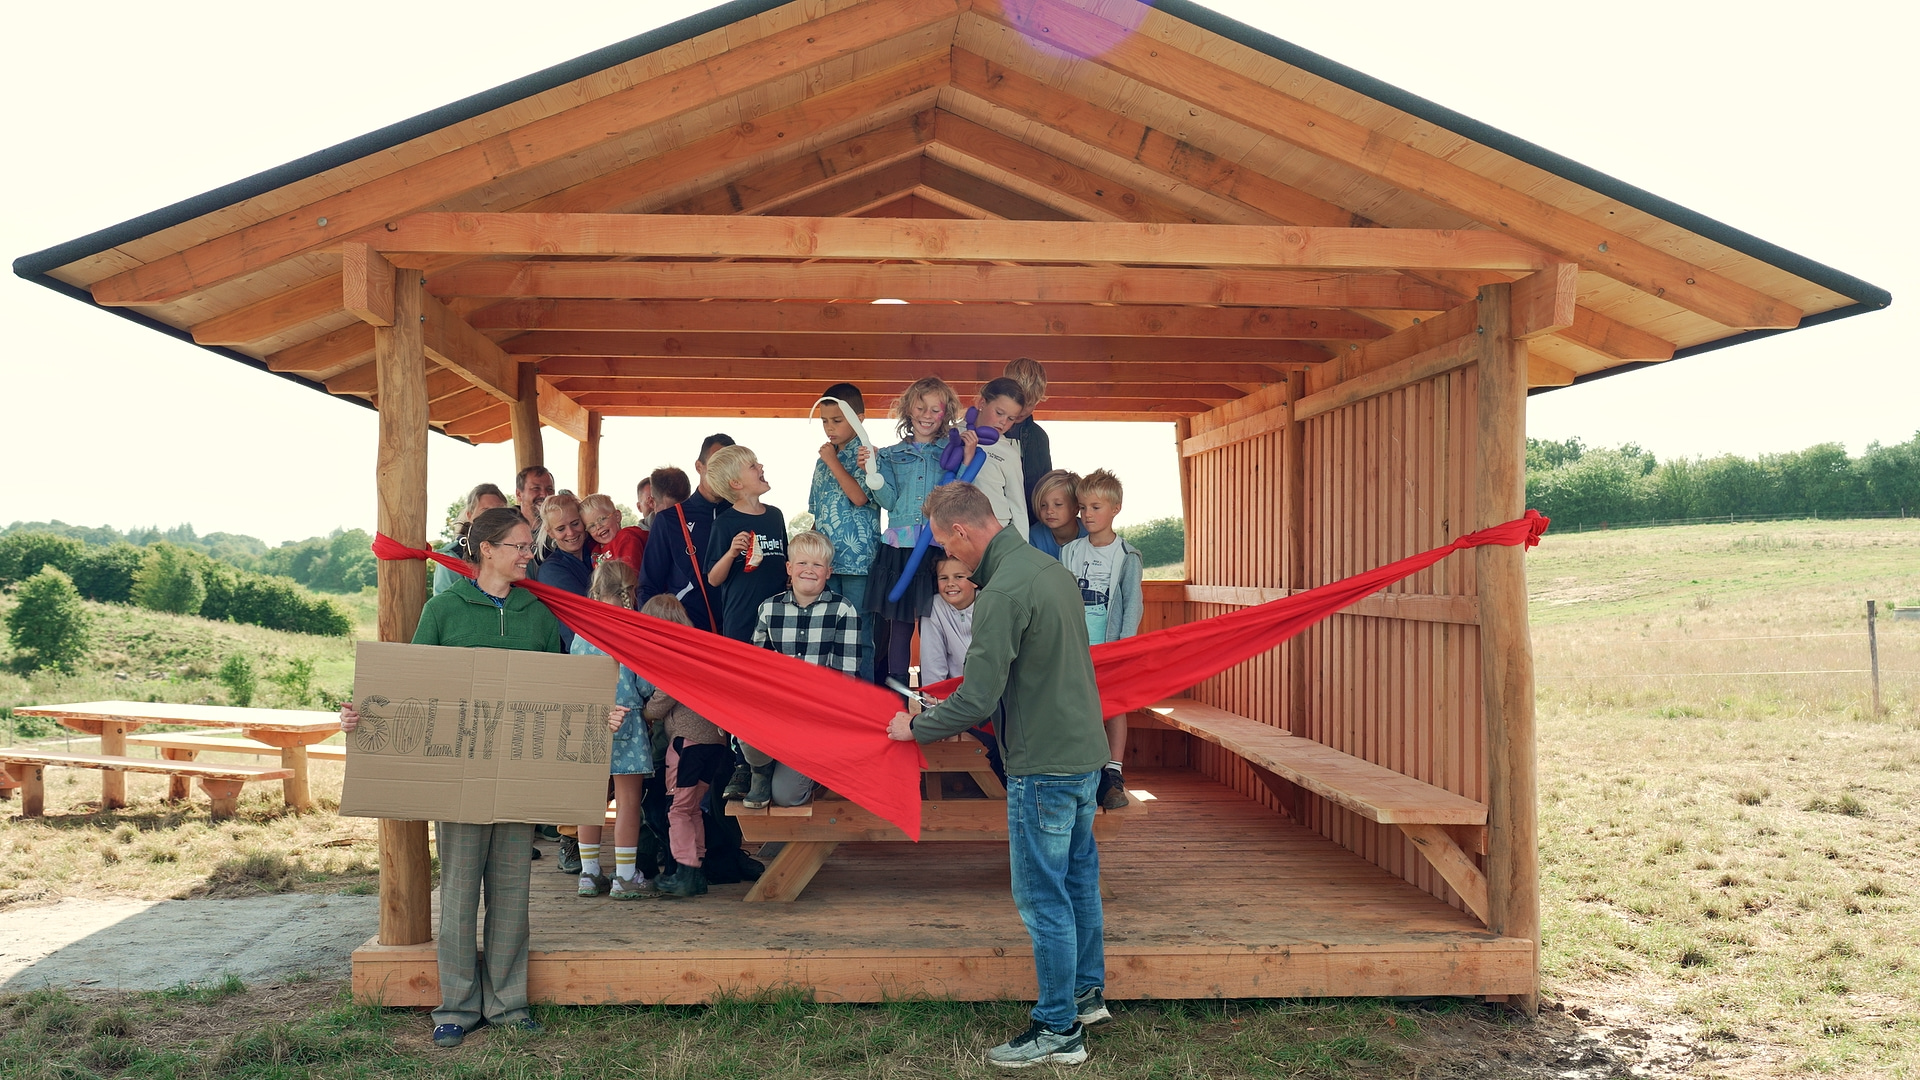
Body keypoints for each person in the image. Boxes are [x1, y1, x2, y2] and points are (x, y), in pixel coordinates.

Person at [337, 507, 627, 1049]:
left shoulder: (537, 614)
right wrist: (361, 716)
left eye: (529, 546)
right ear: (485, 549)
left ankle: (508, 1003)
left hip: (517, 779)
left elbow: (560, 693)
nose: (527, 554)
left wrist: (598, 715)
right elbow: (412, 686)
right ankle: (457, 1006)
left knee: (513, 897)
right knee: (460, 897)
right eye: (518, 545)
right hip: (459, 779)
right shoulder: (444, 610)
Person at [886, 484, 1110, 1067]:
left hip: (1044, 765)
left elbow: (978, 699)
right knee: (1078, 883)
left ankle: (1058, 1030)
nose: (944, 553)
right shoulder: (1048, 568)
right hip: (1085, 753)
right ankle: (1086, 998)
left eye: (940, 541)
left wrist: (916, 728)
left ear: (961, 532)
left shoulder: (1003, 591)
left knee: (1043, 897)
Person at [742, 529, 860, 808]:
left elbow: (844, 679)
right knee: (743, 712)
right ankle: (760, 769)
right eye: (802, 563)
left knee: (786, 797)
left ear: (829, 572)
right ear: (789, 568)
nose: (809, 570)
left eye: (817, 565)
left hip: (815, 717)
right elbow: (755, 669)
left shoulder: (843, 610)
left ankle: (811, 770)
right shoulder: (769, 609)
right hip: (776, 710)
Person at [568, 559, 656, 901]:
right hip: (628, 718)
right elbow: (646, 682)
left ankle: (589, 874)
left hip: (590, 718)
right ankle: (624, 876)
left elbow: (575, 673)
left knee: (589, 800)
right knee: (628, 802)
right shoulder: (633, 628)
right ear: (630, 591)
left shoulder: (583, 629)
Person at [1059, 469, 1145, 812]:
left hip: (1109, 646)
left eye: (1095, 507)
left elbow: (1131, 605)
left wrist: (1123, 648)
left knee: (1112, 705)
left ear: (1116, 509)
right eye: (1082, 507)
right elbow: (1062, 597)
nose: (1087, 515)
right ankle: (1081, 770)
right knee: (1077, 706)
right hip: (1075, 645)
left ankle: (1113, 772)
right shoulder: (1070, 551)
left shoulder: (1127, 555)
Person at [871, 376, 960, 688]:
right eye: (920, 407)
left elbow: (959, 492)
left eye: (935, 409)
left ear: (945, 413)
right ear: (908, 410)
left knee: (939, 620)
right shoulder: (890, 455)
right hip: (901, 549)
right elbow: (889, 500)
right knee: (901, 623)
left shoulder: (952, 452)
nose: (926, 414)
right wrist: (873, 474)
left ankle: (943, 685)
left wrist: (969, 454)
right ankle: (896, 687)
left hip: (937, 548)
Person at [641, 594, 729, 898]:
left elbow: (660, 703)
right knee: (692, 809)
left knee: (677, 810)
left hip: (688, 743)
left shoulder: (672, 656)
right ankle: (697, 870)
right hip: (715, 743)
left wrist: (643, 712)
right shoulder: (697, 650)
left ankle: (685, 874)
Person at [809, 383, 881, 682]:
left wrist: (833, 461)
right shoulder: (822, 460)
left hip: (858, 564)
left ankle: (864, 703)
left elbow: (860, 497)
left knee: (860, 633)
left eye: (837, 420)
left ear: (859, 418)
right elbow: (817, 513)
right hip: (825, 563)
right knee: (826, 631)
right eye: (825, 420)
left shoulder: (869, 455)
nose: (829, 427)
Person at [637, 436, 733, 633]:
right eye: (716, 463)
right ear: (699, 466)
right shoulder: (669, 520)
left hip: (739, 640)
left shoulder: (745, 516)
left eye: (728, 465)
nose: (721, 471)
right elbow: (648, 589)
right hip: (687, 641)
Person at [703, 445, 789, 643]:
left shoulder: (775, 515)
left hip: (778, 616)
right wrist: (731, 553)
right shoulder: (724, 523)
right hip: (742, 621)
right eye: (752, 465)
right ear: (736, 483)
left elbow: (786, 558)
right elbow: (714, 579)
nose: (761, 466)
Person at [960, 378, 1030, 541]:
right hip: (956, 531)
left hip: (995, 535)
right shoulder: (952, 435)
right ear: (982, 403)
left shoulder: (1009, 453)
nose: (1003, 422)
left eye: (1011, 419)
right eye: (999, 413)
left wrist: (1021, 551)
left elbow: (1017, 506)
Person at [529, 492, 596, 649]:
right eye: (561, 529)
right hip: (584, 654)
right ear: (550, 532)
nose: (571, 533)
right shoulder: (551, 570)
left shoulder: (597, 552)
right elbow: (587, 617)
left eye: (575, 523)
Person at [1002, 358, 1054, 525]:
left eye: (1030, 403)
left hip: (1028, 523)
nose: (1022, 410)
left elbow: (1046, 486)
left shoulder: (1039, 438)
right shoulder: (985, 429)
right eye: (1019, 402)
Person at [435, 483, 507, 595]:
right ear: (470, 516)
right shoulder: (452, 557)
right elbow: (443, 608)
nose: (493, 518)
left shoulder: (518, 553)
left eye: (499, 512)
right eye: (485, 511)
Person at [1028, 469, 1086, 561]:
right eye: (1043, 505)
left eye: (1058, 504)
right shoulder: (1033, 536)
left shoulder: (1090, 535)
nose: (1049, 511)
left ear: (1076, 507)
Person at [580, 492, 647, 572]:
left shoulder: (626, 539)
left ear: (617, 516)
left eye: (602, 519)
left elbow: (630, 575)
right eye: (591, 526)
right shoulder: (596, 550)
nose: (598, 527)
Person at [513, 465, 556, 532]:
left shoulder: (563, 530)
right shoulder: (505, 530)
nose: (545, 495)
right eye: (536, 488)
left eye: (549, 489)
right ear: (519, 494)